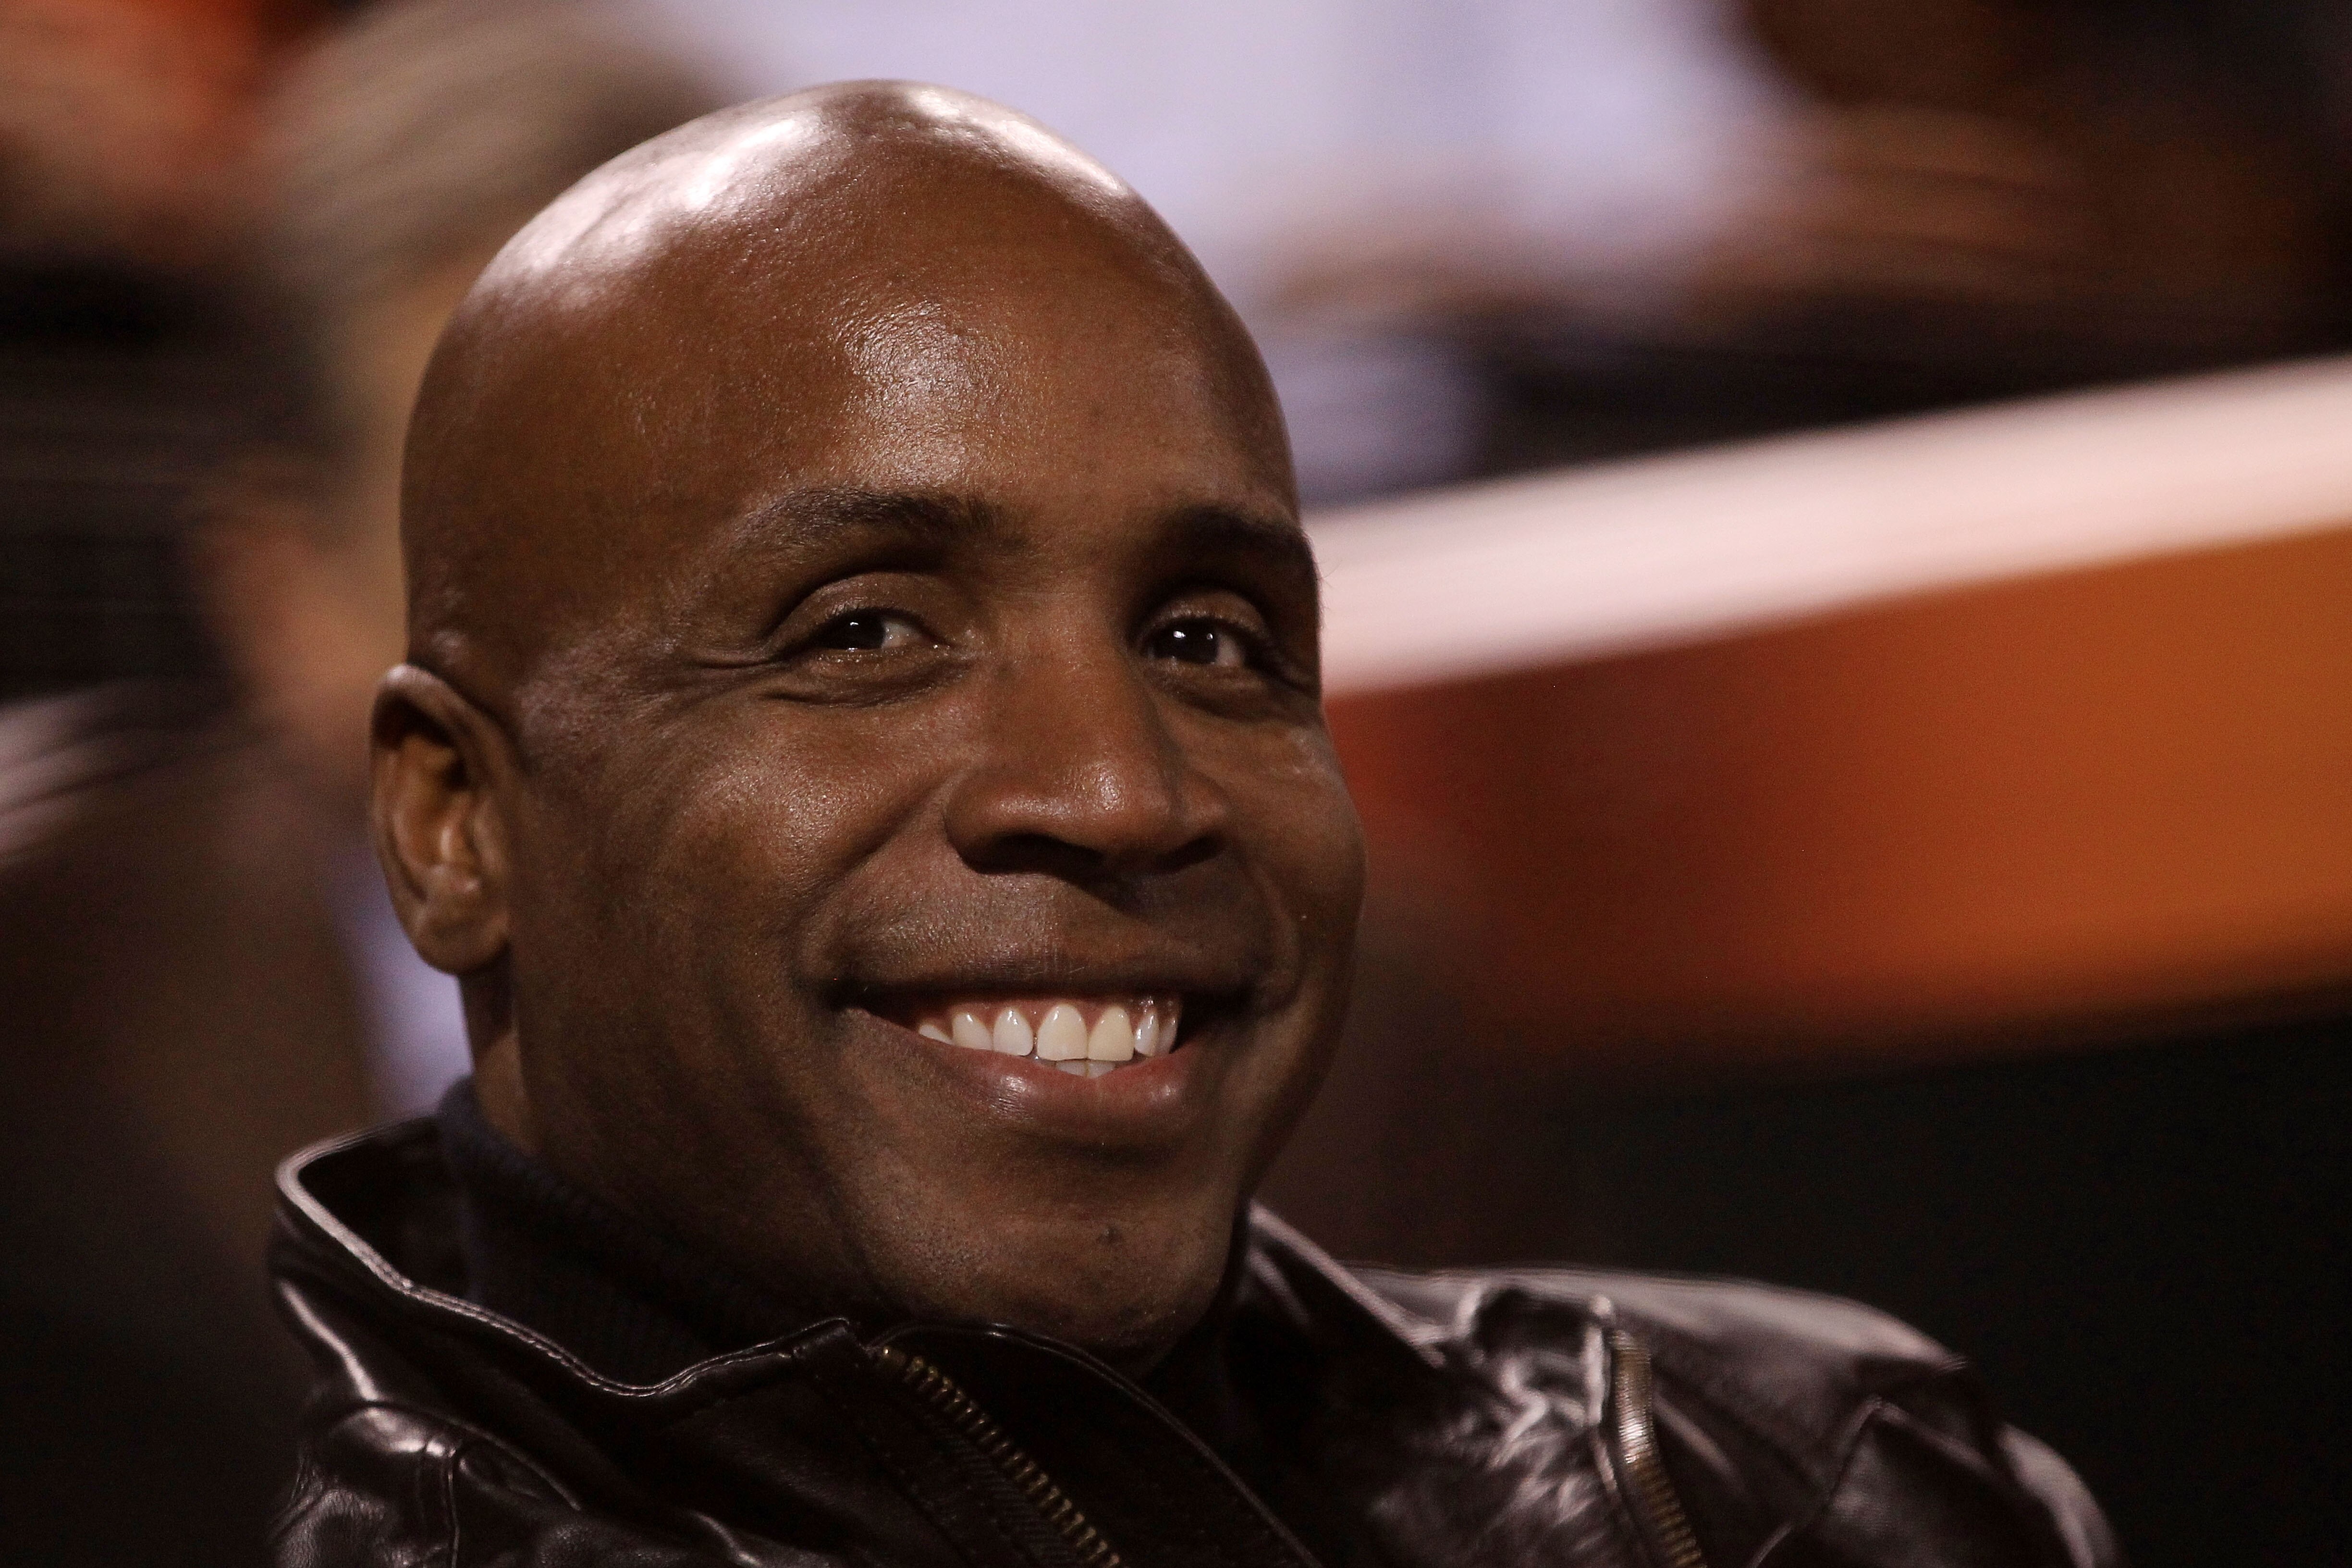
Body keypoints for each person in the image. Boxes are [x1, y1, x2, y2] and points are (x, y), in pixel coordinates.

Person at [272, 83, 2117, 1568]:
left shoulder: (1831, 1490)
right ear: (457, 824)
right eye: (866, 635)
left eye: (1204, 639)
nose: (1120, 789)